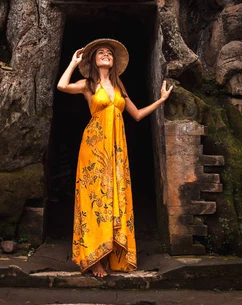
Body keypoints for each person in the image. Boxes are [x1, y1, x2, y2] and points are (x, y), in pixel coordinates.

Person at [57, 38, 173, 278]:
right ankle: (95, 259)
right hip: (94, 148)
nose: (105, 54)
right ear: (93, 60)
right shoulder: (88, 84)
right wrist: (72, 62)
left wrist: (161, 101)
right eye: (100, 52)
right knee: (96, 200)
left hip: (116, 149)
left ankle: (110, 254)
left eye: (109, 52)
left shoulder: (120, 88)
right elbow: (61, 86)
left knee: (114, 196)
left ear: (114, 62)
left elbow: (138, 115)